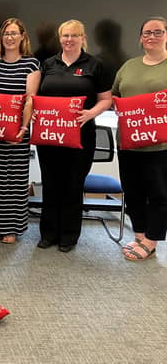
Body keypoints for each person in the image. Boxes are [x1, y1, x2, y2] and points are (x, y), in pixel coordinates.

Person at [37, 19, 112, 252]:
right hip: (50, 136)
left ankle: (68, 235)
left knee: (72, 184)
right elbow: (36, 97)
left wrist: (90, 113)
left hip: (82, 135)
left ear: (82, 37)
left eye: (74, 35)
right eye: (65, 36)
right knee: (49, 183)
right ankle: (48, 234)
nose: (69, 40)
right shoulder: (48, 64)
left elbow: (106, 99)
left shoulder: (95, 65)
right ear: (60, 38)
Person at [0, 18, 40, 244]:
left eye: (14, 33)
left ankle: (11, 229)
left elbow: (30, 100)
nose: (10, 37)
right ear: (0, 38)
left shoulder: (31, 64)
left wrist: (23, 129)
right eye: (6, 33)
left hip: (18, 134)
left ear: (23, 36)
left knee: (14, 180)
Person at [113, 16, 167, 261]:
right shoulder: (129, 66)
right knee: (132, 190)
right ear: (140, 37)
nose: (151, 37)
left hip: (160, 145)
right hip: (128, 142)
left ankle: (152, 240)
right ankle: (139, 234)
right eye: (147, 33)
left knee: (159, 193)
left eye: (157, 32)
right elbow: (115, 95)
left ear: (166, 35)